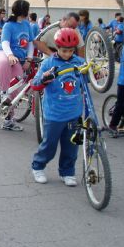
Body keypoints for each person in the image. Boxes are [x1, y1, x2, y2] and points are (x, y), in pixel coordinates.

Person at [30, 28, 85, 186]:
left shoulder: (79, 63)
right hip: (54, 113)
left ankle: (67, 172)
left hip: (73, 113)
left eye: (70, 50)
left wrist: (97, 75)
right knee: (50, 145)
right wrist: (45, 78)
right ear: (57, 48)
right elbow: (35, 84)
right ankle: (38, 166)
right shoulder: (49, 62)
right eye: (64, 50)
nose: (67, 54)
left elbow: (89, 78)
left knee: (71, 145)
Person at [0, 0, 34, 131]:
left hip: (17, 60)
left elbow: (31, 43)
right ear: (24, 11)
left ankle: (8, 119)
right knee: (4, 62)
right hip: (2, 54)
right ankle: (4, 93)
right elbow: (4, 43)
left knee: (18, 83)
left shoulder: (27, 25)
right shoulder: (8, 25)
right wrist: (9, 55)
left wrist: (29, 59)